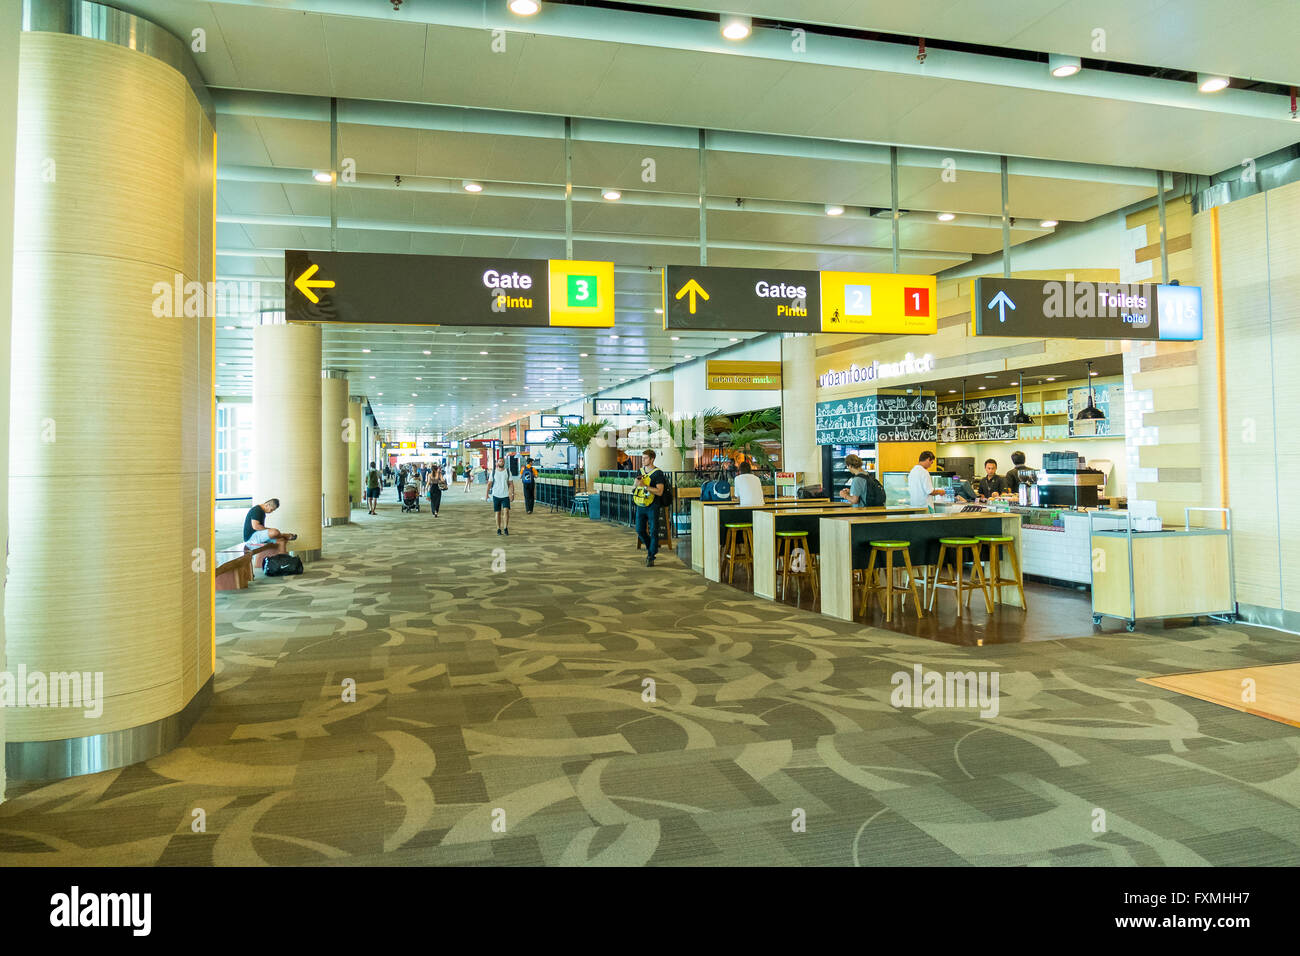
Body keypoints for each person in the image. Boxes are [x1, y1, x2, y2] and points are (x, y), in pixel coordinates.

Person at [633, 448, 666, 567]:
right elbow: (635, 486)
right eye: (642, 458)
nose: (642, 460)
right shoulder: (640, 471)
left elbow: (660, 491)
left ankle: (650, 556)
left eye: (645, 458)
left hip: (653, 505)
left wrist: (645, 486)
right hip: (640, 504)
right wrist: (636, 483)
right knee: (639, 530)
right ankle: (651, 548)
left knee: (654, 530)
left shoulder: (658, 473)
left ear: (652, 459)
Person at [486, 457, 515, 534]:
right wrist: (486, 494)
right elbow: (489, 484)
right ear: (497, 463)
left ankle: (505, 528)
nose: (501, 462)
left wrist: (512, 494)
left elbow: (511, 484)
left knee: (506, 511)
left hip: (505, 495)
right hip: (496, 495)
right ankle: (498, 528)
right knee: (497, 512)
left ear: (504, 463)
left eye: (502, 461)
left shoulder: (508, 472)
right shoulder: (493, 472)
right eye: (499, 461)